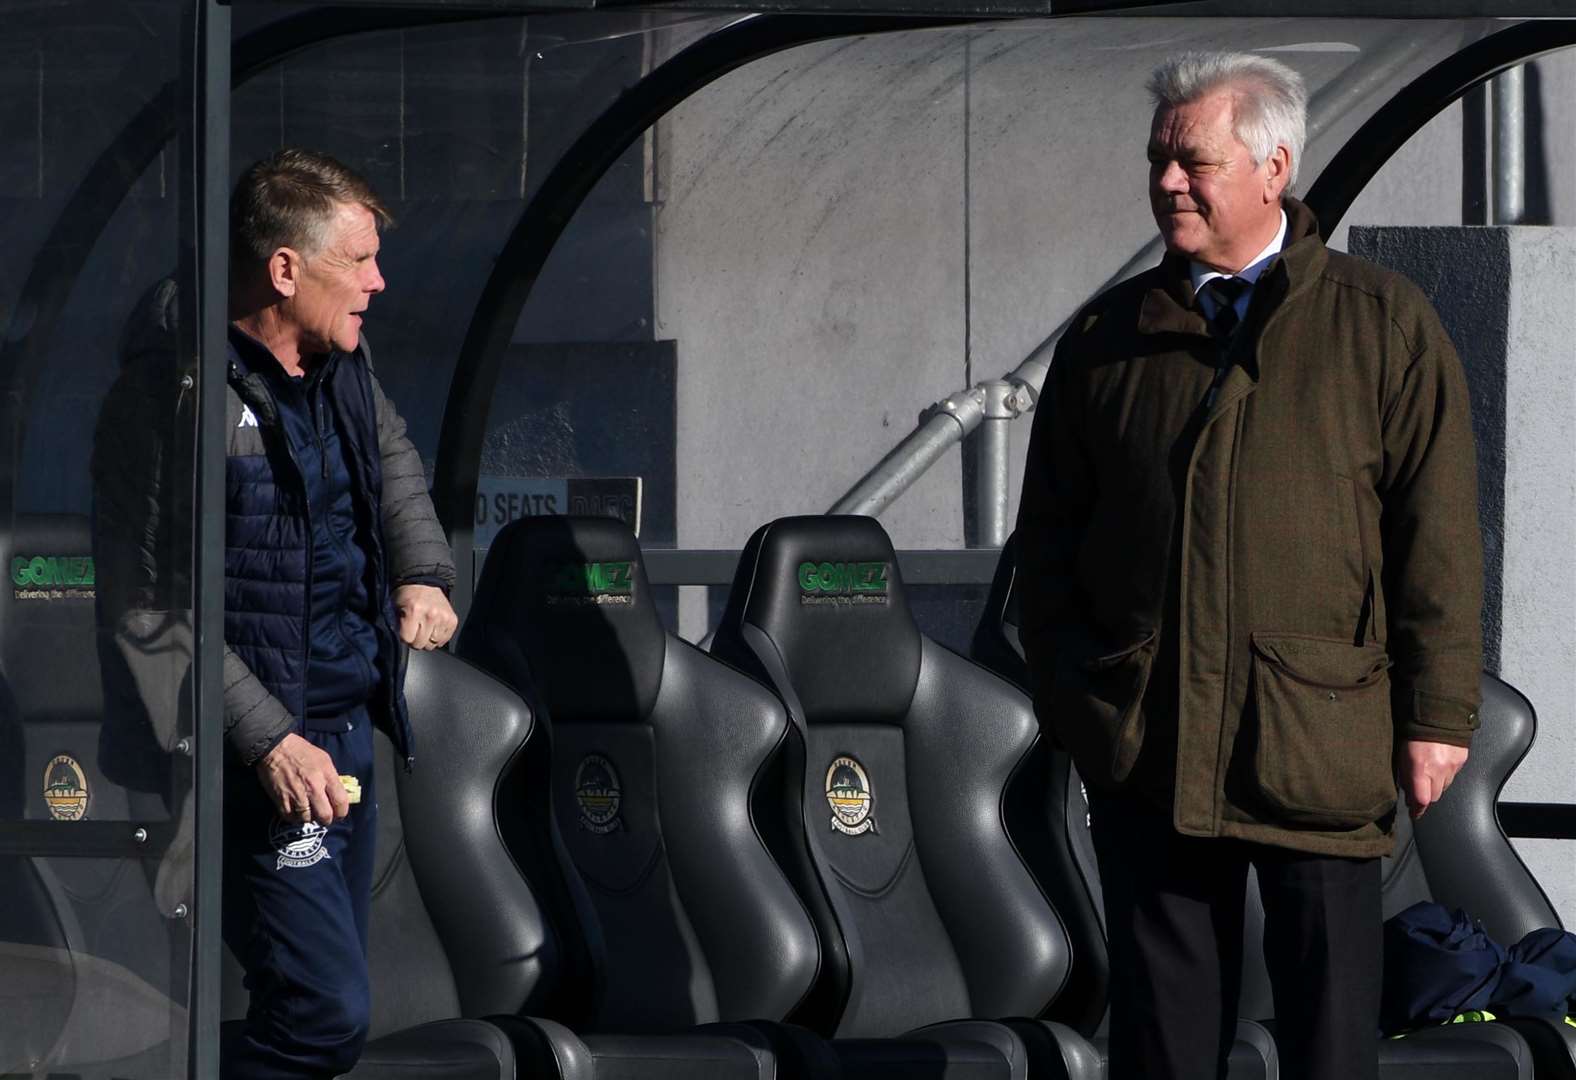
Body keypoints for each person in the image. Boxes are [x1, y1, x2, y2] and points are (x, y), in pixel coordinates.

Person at [1015, 52, 1483, 1080]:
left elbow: (1435, 536)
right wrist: (1078, 697)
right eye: (1158, 160)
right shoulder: (1106, 339)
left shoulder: (1379, 325)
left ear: (1273, 167)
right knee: (1165, 1040)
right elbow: (1043, 545)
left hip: (1313, 735)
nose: (1167, 182)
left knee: (1327, 1037)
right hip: (1148, 742)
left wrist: (1438, 716)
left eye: (1193, 161)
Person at [95, 147, 459, 1079]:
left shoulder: (341, 359)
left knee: (312, 1009)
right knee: (322, 1015)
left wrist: (423, 572)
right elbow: (149, 607)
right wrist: (264, 741)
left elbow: (395, 458)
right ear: (285, 269)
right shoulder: (173, 393)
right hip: (243, 760)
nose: (379, 282)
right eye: (360, 260)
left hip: (343, 733)